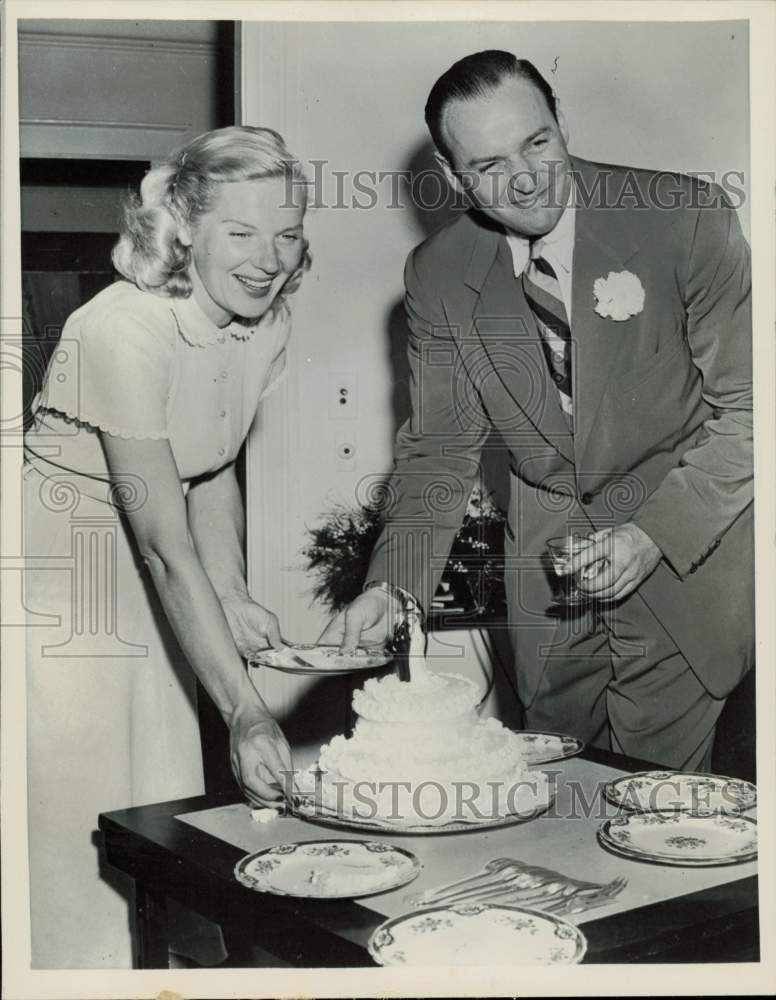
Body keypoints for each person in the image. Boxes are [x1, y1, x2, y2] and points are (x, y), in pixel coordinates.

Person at [321, 51, 753, 774]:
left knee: (654, 811)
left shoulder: (684, 218)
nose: (525, 178)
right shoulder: (437, 273)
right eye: (488, 165)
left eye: (538, 142)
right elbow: (438, 450)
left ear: (561, 123)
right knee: (554, 802)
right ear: (452, 173)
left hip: (684, 569)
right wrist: (388, 588)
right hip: (548, 596)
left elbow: (750, 410)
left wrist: (652, 535)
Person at [23, 125, 310, 967]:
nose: (269, 259)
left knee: (159, 818)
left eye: (286, 234)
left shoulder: (266, 321)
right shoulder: (123, 328)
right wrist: (246, 707)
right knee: (77, 833)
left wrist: (233, 590)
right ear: (184, 226)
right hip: (65, 585)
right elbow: (159, 543)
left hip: (159, 569)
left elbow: (209, 469)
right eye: (241, 233)